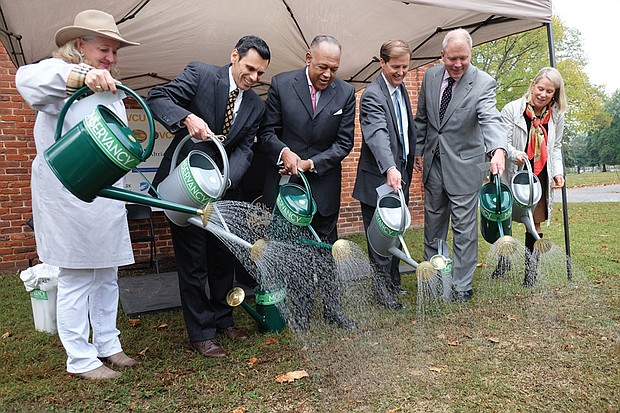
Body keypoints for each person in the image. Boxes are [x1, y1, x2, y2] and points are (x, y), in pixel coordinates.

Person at [15, 9, 139, 380]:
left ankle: (107, 343)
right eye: (105, 49)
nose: (111, 59)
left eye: (115, 52)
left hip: (105, 198)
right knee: (76, 276)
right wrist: (83, 75)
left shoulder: (112, 91)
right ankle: (80, 358)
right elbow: (27, 78)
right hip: (69, 197)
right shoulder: (58, 81)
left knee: (106, 274)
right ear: (80, 45)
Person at [146, 35, 271, 358]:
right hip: (184, 184)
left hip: (221, 190)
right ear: (234, 56)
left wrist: (226, 181)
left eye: (260, 74)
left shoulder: (256, 105)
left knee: (221, 256)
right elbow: (157, 97)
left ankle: (223, 318)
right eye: (250, 69)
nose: (254, 78)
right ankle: (201, 333)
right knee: (193, 261)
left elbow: (245, 148)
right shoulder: (201, 74)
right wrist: (187, 118)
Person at [259, 35, 356, 330]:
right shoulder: (281, 83)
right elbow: (267, 133)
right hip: (289, 185)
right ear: (308, 58)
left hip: (324, 183)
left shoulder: (347, 92)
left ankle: (333, 308)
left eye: (334, 69)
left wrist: (312, 163)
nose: (328, 74)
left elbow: (344, 143)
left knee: (326, 249)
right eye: (322, 67)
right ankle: (299, 312)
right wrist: (285, 152)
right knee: (295, 250)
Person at [413, 28, 507, 302]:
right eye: (452, 58)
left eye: (463, 59)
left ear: (471, 55)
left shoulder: (483, 83)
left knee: (464, 231)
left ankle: (461, 286)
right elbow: (422, 119)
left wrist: (498, 150)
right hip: (433, 165)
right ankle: (432, 279)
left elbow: (491, 119)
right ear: (442, 56)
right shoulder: (430, 77)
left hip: (465, 166)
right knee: (433, 226)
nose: (457, 65)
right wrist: (420, 151)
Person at [352, 40, 416, 310]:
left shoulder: (401, 90)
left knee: (396, 228)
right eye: (395, 67)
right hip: (379, 177)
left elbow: (403, 132)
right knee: (379, 237)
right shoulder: (372, 95)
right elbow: (377, 134)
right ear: (382, 63)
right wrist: (390, 167)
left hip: (400, 174)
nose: (401, 72)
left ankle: (393, 281)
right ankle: (382, 293)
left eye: (405, 67)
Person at [500, 67, 567, 284]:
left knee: (534, 222)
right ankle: (503, 262)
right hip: (515, 172)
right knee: (506, 220)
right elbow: (502, 141)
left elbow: (555, 146)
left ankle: (530, 273)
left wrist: (557, 172)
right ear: (533, 85)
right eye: (541, 89)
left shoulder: (556, 115)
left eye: (550, 92)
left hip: (540, 175)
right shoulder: (512, 109)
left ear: (555, 94)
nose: (543, 95)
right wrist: (514, 153)